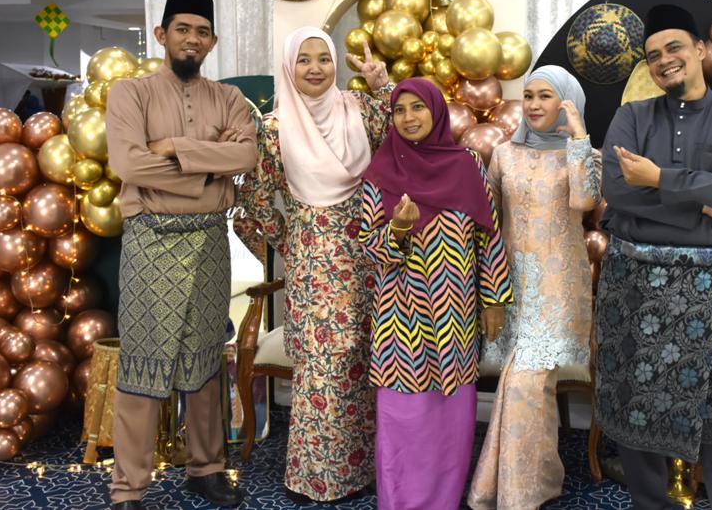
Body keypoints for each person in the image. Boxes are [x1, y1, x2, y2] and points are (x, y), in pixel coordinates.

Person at [596, 4, 712, 510]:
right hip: (632, 291)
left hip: (704, 293)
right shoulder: (631, 117)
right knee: (636, 413)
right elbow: (617, 192)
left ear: (699, 49)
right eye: (653, 55)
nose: (664, 60)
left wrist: (658, 179)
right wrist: (702, 206)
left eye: (673, 47)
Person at [105, 0, 257, 510]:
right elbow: (130, 164)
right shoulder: (131, 94)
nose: (192, 39)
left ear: (212, 41)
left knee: (206, 359)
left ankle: (206, 468)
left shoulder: (229, 98)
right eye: (182, 29)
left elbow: (246, 155)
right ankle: (128, 489)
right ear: (161, 34)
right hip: (151, 243)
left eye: (202, 32)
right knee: (143, 364)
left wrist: (173, 149)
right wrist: (208, 173)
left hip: (210, 243)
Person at [234, 27, 391, 502]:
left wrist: (382, 85)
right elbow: (256, 200)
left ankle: (365, 471)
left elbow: (401, 138)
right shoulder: (274, 128)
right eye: (304, 59)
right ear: (289, 66)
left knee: (367, 358)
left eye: (324, 58)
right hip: (314, 264)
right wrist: (294, 240)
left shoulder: (360, 109)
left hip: (372, 254)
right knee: (325, 363)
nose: (316, 68)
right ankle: (318, 478)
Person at [358, 78, 513, 510]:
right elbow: (369, 248)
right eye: (399, 110)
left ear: (436, 111)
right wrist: (398, 229)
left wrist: (494, 299)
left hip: (455, 314)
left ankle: (442, 500)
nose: (408, 117)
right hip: (400, 316)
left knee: (450, 418)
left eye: (417, 107)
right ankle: (399, 502)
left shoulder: (466, 164)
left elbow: (488, 236)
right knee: (403, 417)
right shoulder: (380, 173)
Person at [468, 65, 600, 510]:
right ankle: (536, 478)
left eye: (546, 96)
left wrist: (578, 135)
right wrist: (488, 289)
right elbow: (488, 223)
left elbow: (584, 201)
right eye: (528, 96)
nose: (534, 105)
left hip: (558, 290)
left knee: (524, 383)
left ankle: (519, 492)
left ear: (567, 102)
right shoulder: (504, 154)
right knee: (519, 382)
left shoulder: (583, 154)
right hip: (509, 288)